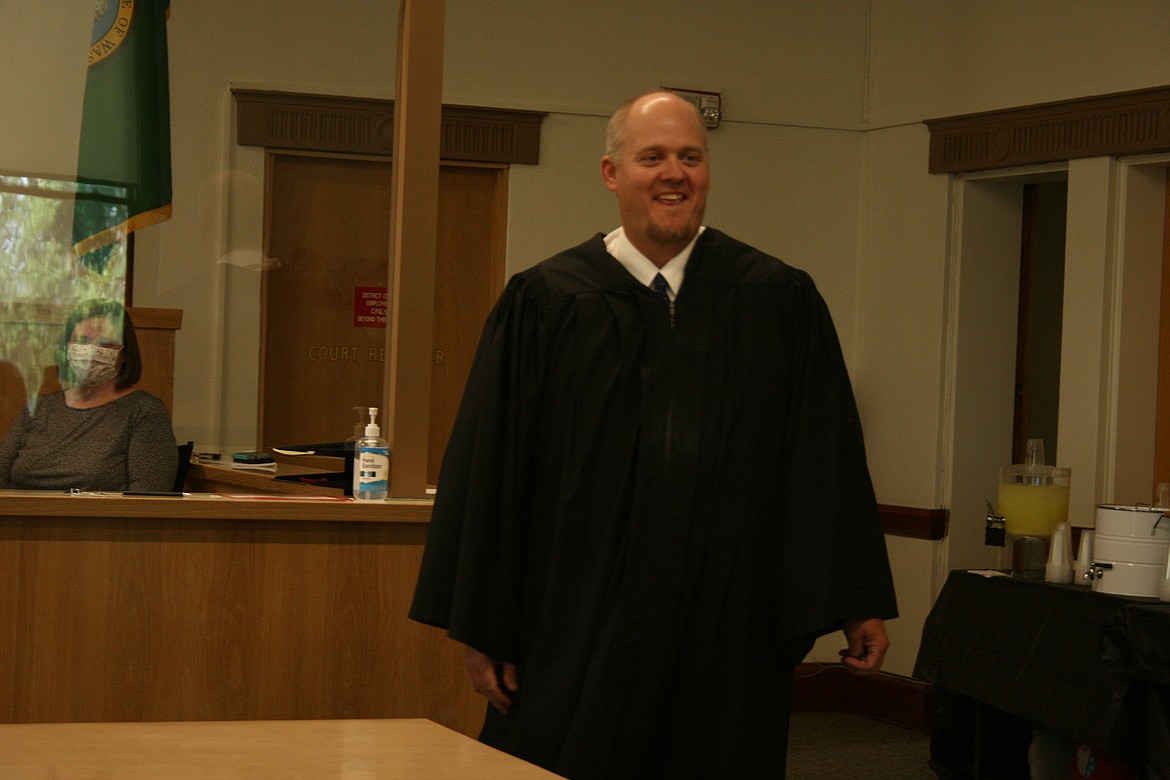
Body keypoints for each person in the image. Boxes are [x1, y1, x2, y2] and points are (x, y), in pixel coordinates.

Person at [410, 90, 897, 779]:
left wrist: (855, 599)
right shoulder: (547, 302)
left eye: (690, 157)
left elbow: (822, 459)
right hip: (576, 623)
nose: (674, 173)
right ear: (612, 173)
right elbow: (494, 467)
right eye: (653, 157)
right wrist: (485, 625)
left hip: (727, 627)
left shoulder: (775, 300)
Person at [0, 298, 178, 492]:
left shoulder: (144, 411)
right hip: (19, 519)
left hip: (98, 521)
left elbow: (149, 496)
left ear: (125, 354)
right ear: (67, 347)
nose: (91, 352)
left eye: (106, 344)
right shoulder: (39, 407)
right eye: (83, 341)